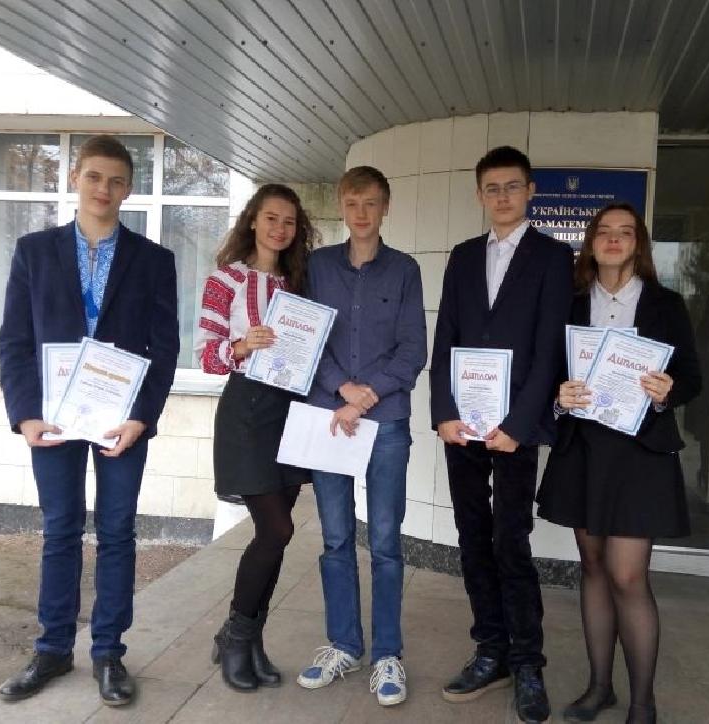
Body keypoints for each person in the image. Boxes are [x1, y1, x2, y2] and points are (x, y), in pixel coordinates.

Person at [0, 135, 180, 706]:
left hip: (122, 422)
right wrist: (25, 415)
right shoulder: (34, 251)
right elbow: (15, 340)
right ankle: (52, 648)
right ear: (75, 177)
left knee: (118, 532)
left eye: (117, 181)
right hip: (52, 420)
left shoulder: (154, 260)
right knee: (60, 530)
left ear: (129, 189)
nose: (105, 189)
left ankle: (108, 653)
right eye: (95, 177)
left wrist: (143, 417)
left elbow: (164, 348)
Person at [536, 203, 701, 724]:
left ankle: (643, 703)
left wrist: (667, 392)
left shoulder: (666, 304)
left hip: (639, 455)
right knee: (592, 568)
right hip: (584, 450)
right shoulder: (570, 303)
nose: (613, 240)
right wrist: (559, 398)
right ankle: (600, 687)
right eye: (604, 232)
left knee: (627, 576)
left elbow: (691, 377)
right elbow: (549, 374)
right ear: (591, 242)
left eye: (624, 232)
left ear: (638, 243)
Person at [430, 145, 574, 723]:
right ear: (480, 195)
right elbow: (446, 335)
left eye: (513, 186)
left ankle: (527, 662)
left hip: (515, 428)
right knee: (472, 538)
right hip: (463, 425)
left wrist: (518, 425)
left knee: (510, 542)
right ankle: (490, 650)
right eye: (492, 188)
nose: (503, 196)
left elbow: (549, 348)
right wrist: (443, 411)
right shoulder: (464, 256)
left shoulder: (553, 257)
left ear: (531, 191)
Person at [296, 166, 427, 707]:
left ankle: (387, 654)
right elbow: (307, 340)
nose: (361, 213)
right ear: (342, 207)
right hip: (330, 418)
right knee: (334, 538)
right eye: (352, 203)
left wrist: (364, 396)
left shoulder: (405, 270)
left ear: (386, 206)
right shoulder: (317, 267)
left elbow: (413, 349)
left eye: (371, 203)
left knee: (387, 541)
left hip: (385, 421)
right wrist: (340, 390)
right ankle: (344, 644)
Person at [195, 184, 317, 692]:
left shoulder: (300, 283)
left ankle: (248, 640)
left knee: (277, 535)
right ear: (253, 220)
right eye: (271, 218)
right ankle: (234, 635)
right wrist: (243, 345)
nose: (280, 229)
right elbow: (205, 355)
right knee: (276, 530)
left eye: (289, 221)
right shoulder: (225, 279)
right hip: (246, 411)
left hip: (290, 410)